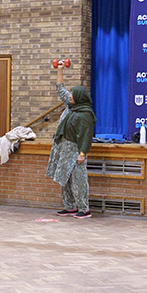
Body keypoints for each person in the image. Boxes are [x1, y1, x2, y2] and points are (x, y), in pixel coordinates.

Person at [47, 62, 95, 219]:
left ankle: (84, 209)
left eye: (72, 94)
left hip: (75, 150)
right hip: (64, 149)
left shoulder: (85, 113)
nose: (69, 95)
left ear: (79, 98)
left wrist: (82, 153)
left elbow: (87, 135)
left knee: (78, 180)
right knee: (64, 178)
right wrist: (60, 70)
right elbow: (61, 89)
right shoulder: (71, 106)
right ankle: (70, 207)